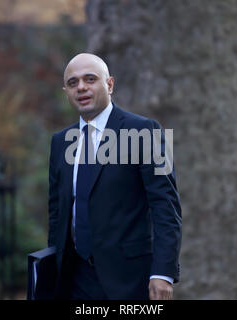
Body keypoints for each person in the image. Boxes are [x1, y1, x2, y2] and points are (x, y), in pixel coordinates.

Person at [47, 53, 182, 300]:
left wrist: (163, 272)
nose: (81, 88)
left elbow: (166, 206)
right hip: (73, 281)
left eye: (90, 79)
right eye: (73, 82)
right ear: (65, 91)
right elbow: (57, 213)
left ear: (109, 84)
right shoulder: (60, 142)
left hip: (129, 281)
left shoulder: (145, 131)